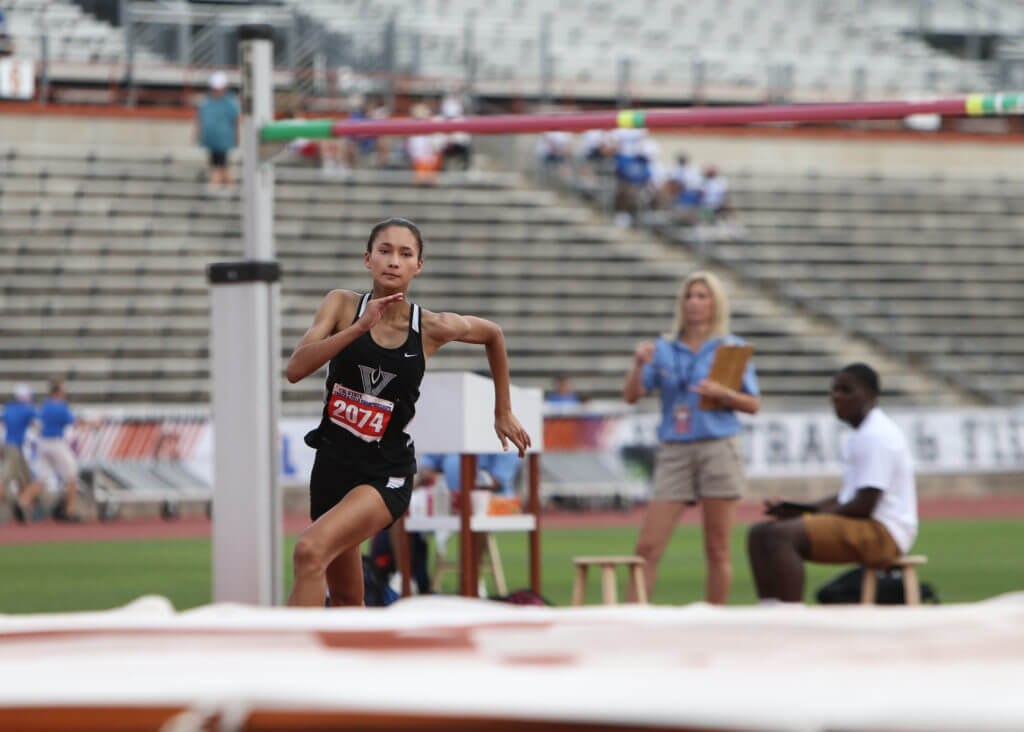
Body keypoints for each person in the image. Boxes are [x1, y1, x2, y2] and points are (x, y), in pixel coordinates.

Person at [284, 217, 531, 607]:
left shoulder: (431, 326)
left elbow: (493, 334)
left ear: (418, 266)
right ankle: (351, 663)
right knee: (348, 598)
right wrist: (357, 328)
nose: (393, 261)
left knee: (309, 551)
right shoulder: (342, 305)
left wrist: (502, 410)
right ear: (368, 259)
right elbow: (296, 369)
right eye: (384, 251)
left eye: (405, 253)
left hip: (385, 474)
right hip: (331, 467)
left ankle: (291, 659)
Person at [623, 270, 760, 604]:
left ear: (715, 303)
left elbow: (753, 404)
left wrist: (723, 393)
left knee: (717, 548)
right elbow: (632, 395)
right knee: (647, 546)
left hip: (718, 445)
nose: (694, 302)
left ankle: (713, 620)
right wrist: (638, 365)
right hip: (675, 449)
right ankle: (629, 617)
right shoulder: (663, 349)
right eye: (689, 296)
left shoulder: (731, 348)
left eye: (702, 296)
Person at [747, 364, 917, 604]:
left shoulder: (878, 436)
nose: (836, 396)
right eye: (834, 390)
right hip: (868, 525)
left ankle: (790, 614)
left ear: (869, 395)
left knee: (783, 535)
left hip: (885, 533)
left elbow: (863, 506)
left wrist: (807, 517)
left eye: (846, 390)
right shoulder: (861, 433)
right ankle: (769, 610)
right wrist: (798, 509)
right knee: (759, 533)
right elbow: (846, 499)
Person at [37, 377, 82, 522]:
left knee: (42, 478)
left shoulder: (45, 405)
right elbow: (73, 421)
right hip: (56, 442)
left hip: (43, 442)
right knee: (72, 476)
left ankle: (22, 503)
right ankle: (70, 510)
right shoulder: (60, 406)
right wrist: (93, 424)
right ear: (59, 391)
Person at [2, 383, 44, 523]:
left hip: (9, 446)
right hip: (15, 448)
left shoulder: (8, 408)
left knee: (24, 480)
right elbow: (39, 423)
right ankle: (22, 506)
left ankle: (23, 510)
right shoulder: (27, 410)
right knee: (4, 480)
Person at [196, 71, 239, 195]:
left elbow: (235, 121)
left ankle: (215, 185)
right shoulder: (206, 103)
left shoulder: (230, 104)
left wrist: (236, 137)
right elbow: (201, 121)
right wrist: (199, 136)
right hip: (212, 139)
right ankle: (227, 185)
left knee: (219, 164)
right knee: (219, 164)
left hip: (224, 139)